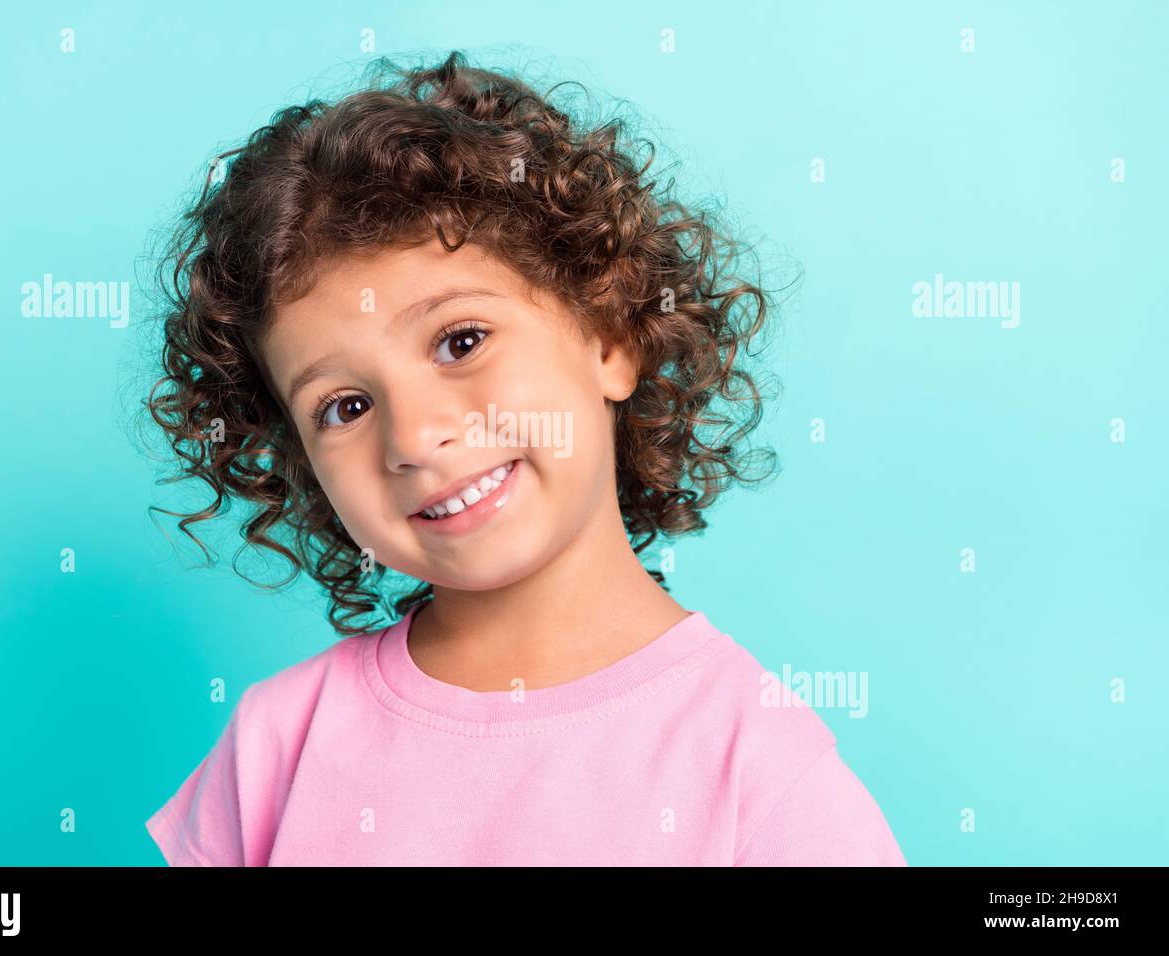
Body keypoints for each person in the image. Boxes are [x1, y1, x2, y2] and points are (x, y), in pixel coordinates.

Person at [142, 50, 906, 866]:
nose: (414, 438)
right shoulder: (274, 751)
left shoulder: (760, 772)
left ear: (609, 335)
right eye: (346, 407)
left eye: (461, 341)